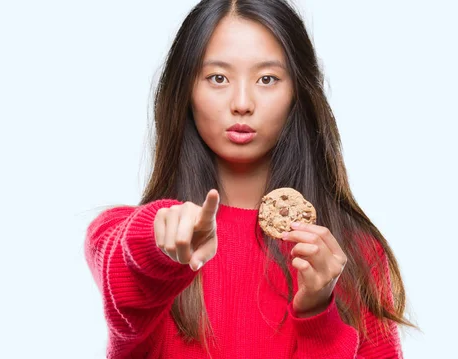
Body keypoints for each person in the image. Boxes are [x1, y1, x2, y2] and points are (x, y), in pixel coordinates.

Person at [84, 0, 416, 357]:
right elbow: (122, 262)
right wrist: (156, 238)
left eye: (267, 79)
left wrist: (319, 315)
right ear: (185, 91)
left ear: (297, 93)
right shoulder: (134, 239)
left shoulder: (355, 254)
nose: (242, 103)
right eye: (218, 78)